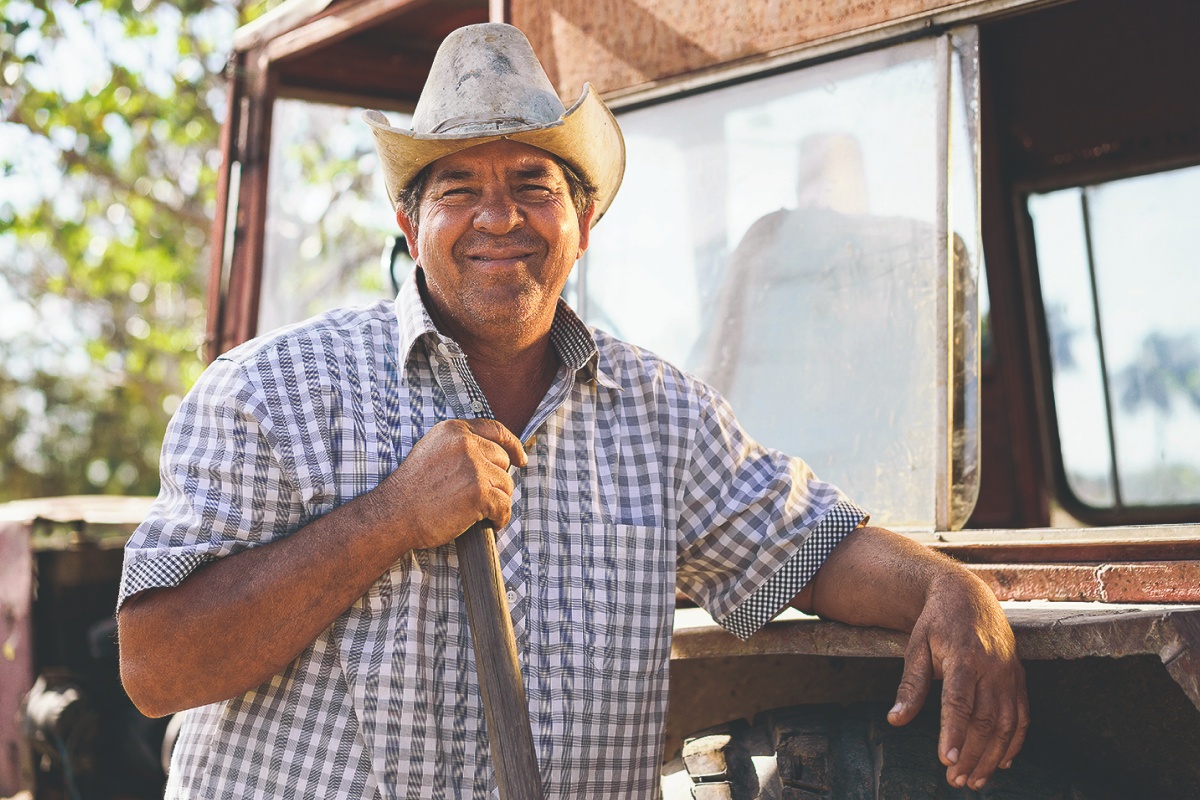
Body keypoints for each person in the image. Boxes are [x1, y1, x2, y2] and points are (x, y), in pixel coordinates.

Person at [117, 22, 1027, 799]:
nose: (498, 217)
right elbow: (156, 666)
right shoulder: (269, 391)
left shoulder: (660, 416)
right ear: (411, 225)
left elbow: (810, 549)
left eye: (533, 185)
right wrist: (392, 517)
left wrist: (952, 591)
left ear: (583, 222)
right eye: (459, 188)